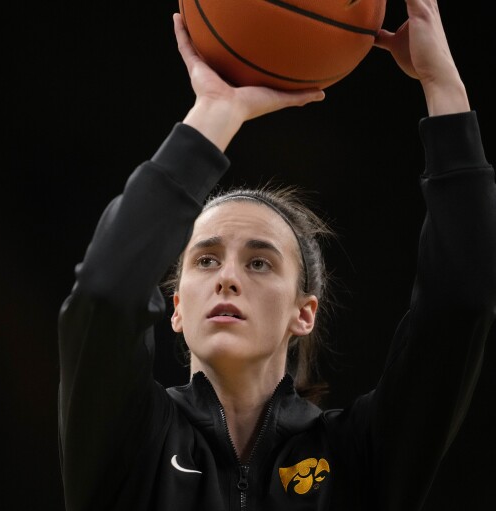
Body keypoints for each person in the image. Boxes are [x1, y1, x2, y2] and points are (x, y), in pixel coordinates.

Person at [57, 0, 496, 509]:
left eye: (259, 262)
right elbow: (104, 294)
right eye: (205, 259)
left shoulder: (360, 454)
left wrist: (444, 88)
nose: (227, 278)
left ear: (303, 312)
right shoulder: (127, 438)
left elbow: (463, 302)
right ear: (175, 307)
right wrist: (214, 113)